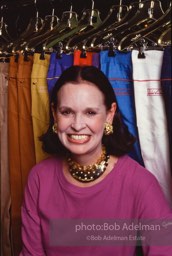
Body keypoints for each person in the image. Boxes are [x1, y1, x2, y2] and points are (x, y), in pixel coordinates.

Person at [20, 65, 172, 256]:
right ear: (54, 113)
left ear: (109, 114)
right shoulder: (39, 178)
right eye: (66, 112)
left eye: (90, 112)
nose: (77, 125)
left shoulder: (140, 183)